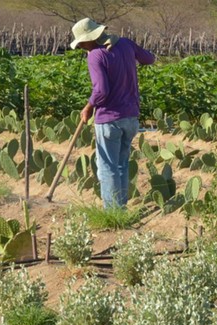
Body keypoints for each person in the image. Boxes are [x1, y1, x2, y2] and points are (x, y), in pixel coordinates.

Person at [70, 17, 155, 209]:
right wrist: (127, 56)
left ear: (91, 38)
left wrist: (88, 107)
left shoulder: (95, 55)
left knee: (107, 168)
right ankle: (121, 208)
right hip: (131, 118)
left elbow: (101, 90)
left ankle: (112, 212)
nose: (82, 47)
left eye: (82, 42)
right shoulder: (125, 43)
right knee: (122, 165)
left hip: (109, 119)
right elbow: (149, 59)